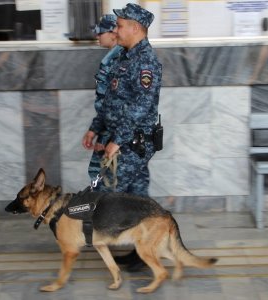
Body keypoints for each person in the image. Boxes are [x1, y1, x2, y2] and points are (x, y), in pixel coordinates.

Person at [82, 3, 162, 272]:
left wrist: (118, 140)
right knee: (137, 196)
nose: (115, 30)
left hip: (133, 143)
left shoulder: (145, 62)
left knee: (106, 193)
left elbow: (142, 107)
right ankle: (143, 251)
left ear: (135, 28)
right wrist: (95, 127)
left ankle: (102, 241)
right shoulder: (125, 57)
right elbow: (111, 102)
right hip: (124, 139)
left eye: (120, 25)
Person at [85, 14, 123, 181]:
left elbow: (118, 106)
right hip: (109, 131)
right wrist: (96, 130)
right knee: (103, 179)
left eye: (100, 33)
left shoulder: (119, 60)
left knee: (104, 179)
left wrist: (107, 137)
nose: (97, 36)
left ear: (113, 33)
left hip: (114, 135)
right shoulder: (111, 58)